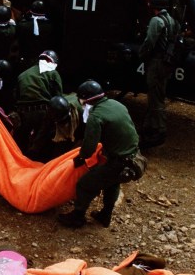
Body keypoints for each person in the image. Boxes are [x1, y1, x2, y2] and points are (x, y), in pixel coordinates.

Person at [58, 80, 145, 228]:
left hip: (119, 161)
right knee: (112, 184)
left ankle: (78, 216)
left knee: (85, 184)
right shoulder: (117, 105)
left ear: (86, 99)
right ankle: (106, 214)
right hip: (134, 156)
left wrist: (81, 157)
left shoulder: (96, 116)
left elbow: (89, 146)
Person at [138, 0, 181, 148]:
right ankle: (149, 127)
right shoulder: (171, 20)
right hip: (167, 63)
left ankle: (158, 130)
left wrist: (141, 55)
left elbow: (149, 42)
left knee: (155, 98)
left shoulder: (157, 21)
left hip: (157, 62)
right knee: (158, 95)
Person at [12, 50, 63, 152]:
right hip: (43, 112)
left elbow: (15, 96)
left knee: (20, 142)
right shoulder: (53, 73)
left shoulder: (23, 74)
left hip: (23, 112)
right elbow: (58, 98)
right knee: (42, 142)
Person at [25, 92, 84, 162]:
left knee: (70, 152)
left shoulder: (82, 112)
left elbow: (84, 136)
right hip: (61, 131)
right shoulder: (50, 112)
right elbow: (43, 132)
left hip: (78, 128)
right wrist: (33, 150)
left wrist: (73, 156)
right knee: (58, 151)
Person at [16, 0, 58, 71]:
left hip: (25, 59)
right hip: (44, 62)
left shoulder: (23, 25)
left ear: (31, 11)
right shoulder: (51, 27)